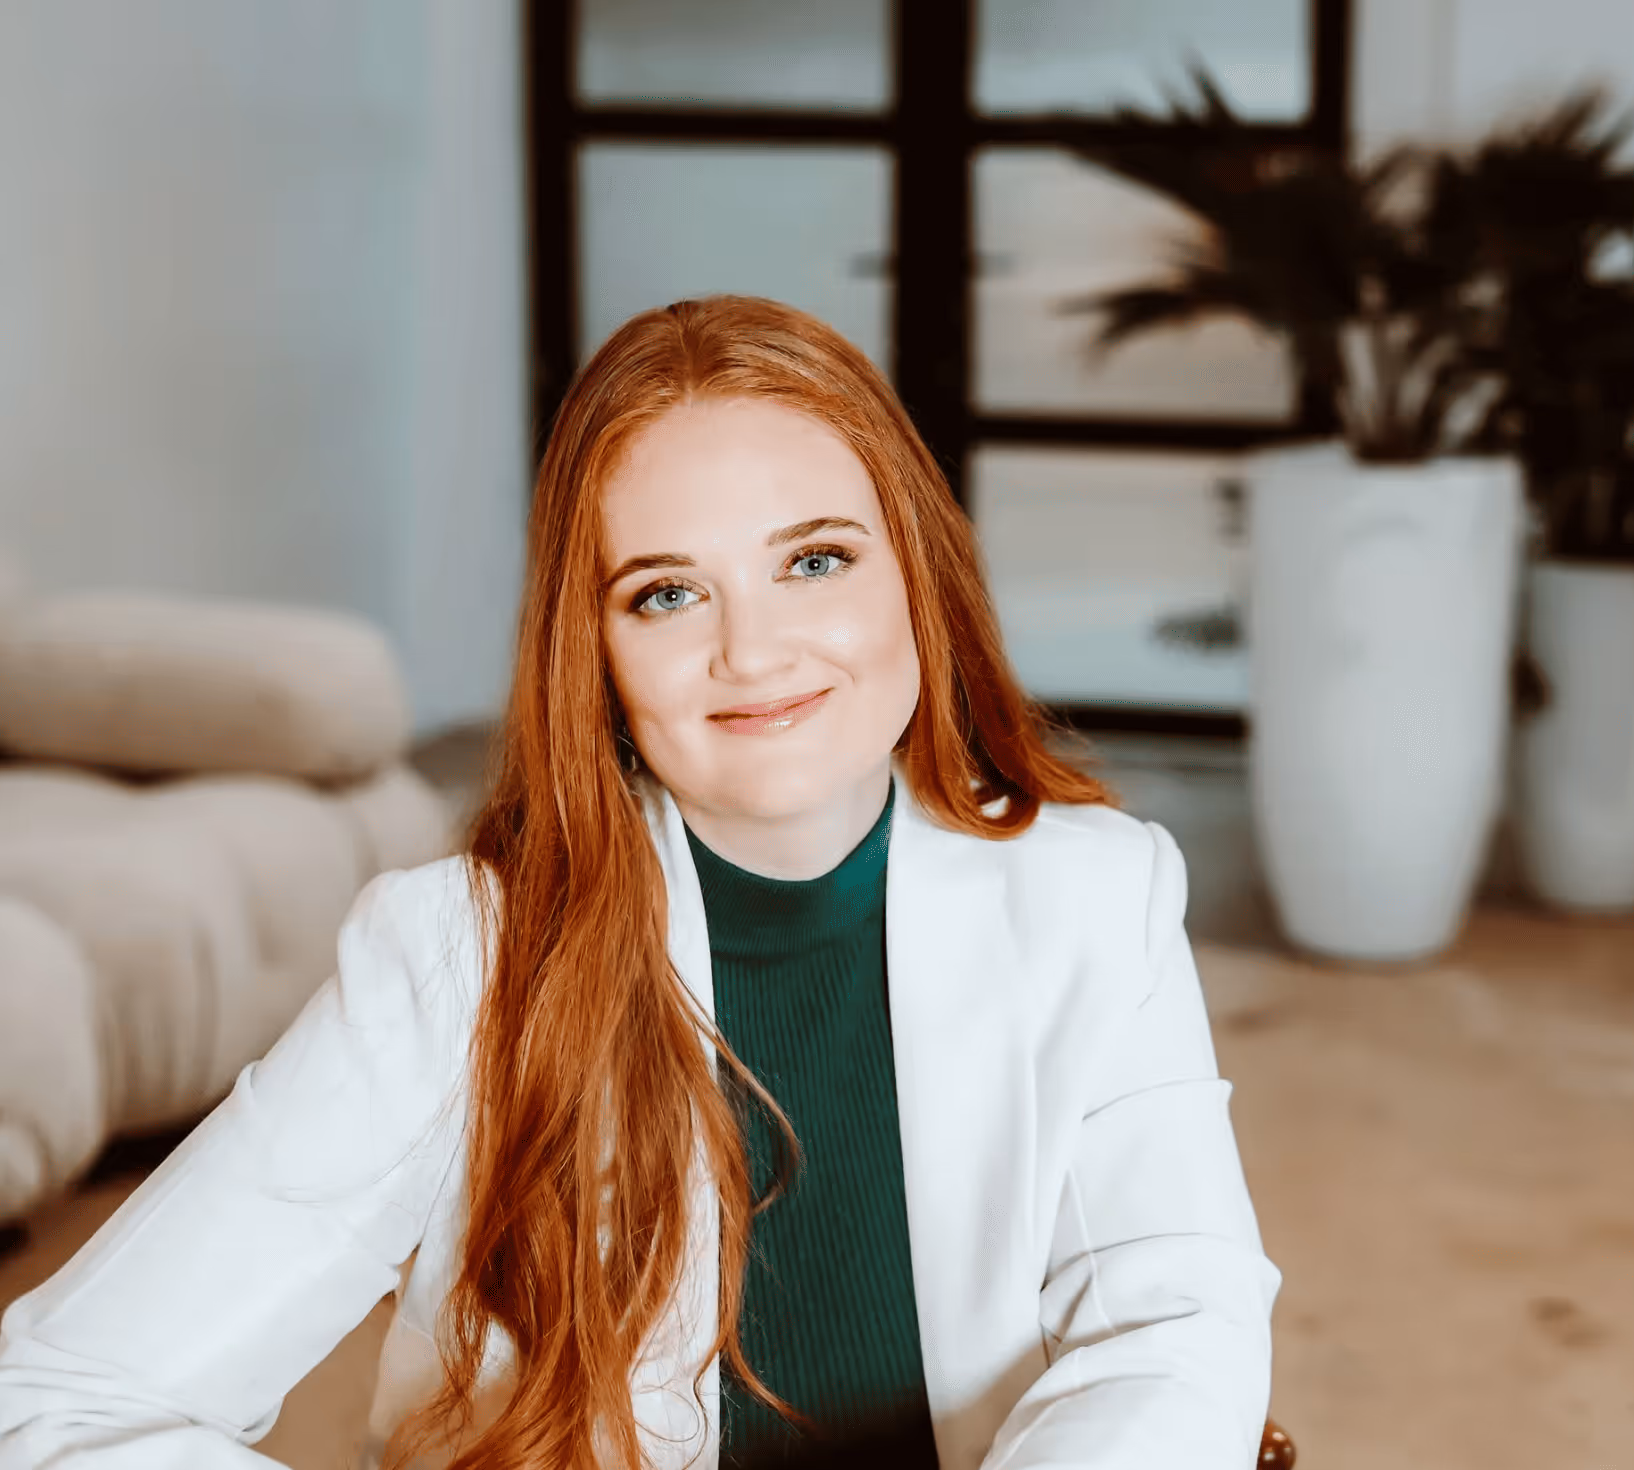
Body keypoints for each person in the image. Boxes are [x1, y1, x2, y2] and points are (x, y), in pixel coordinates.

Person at [0, 296, 1281, 1470]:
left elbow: (1174, 1325)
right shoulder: (455, 957)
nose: (752, 650)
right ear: (594, 654)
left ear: (918, 577)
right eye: (668, 595)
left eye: (816, 561)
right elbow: (57, 1398)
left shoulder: (1097, 894)